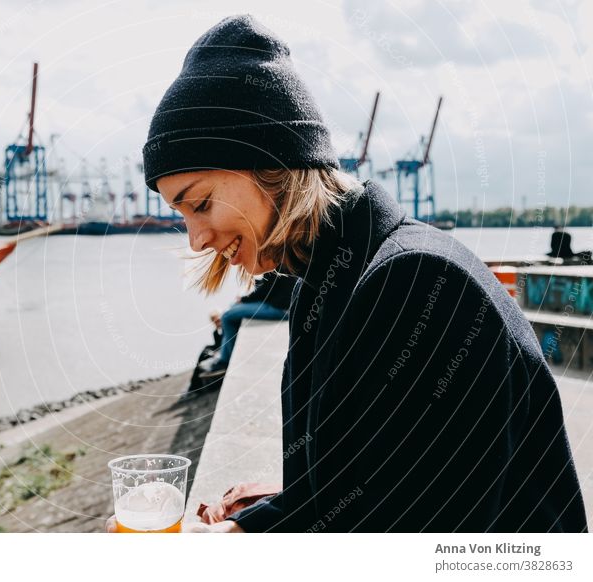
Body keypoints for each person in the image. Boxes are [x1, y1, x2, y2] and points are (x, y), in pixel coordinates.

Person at [108, 14, 588, 533]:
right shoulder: (331, 283)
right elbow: (381, 484)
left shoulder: (416, 283)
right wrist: (263, 520)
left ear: (273, 162)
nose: (197, 239)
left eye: (199, 203)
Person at [198, 271, 297, 379]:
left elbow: (267, 290)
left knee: (226, 317)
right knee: (232, 308)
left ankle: (225, 361)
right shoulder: (280, 259)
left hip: (280, 309)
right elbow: (272, 284)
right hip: (281, 305)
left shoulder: (275, 261)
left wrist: (244, 299)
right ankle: (223, 355)